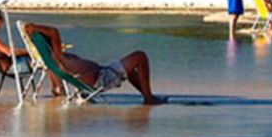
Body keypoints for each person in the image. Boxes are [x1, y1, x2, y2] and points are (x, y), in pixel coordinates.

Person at [23, 22, 166, 105]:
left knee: (130, 69)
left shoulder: (52, 60)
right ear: (53, 44)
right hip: (102, 78)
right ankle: (149, 97)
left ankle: (146, 95)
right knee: (140, 56)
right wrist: (35, 26)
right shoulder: (58, 57)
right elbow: (54, 31)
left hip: (97, 77)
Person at [0, 8, 64, 96]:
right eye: (0, 18)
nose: (2, 21)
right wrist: (30, 51)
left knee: (44, 57)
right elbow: (9, 52)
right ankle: (58, 87)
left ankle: (56, 86)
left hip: (3, 66)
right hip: (11, 67)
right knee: (46, 57)